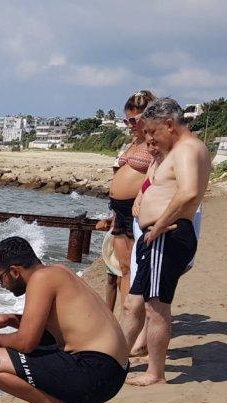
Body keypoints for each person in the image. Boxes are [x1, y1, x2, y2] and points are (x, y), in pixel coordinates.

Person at [0, 236, 130, 403]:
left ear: (14, 271)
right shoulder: (57, 272)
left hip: (96, 374)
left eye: (0, 278)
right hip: (111, 371)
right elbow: (52, 328)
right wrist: (12, 319)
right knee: (37, 348)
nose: (2, 285)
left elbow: (26, 342)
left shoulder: (40, 280)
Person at [119, 97, 211, 386]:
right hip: (157, 237)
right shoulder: (176, 150)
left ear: (169, 125)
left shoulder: (186, 149)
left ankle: (155, 373)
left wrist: (158, 225)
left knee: (155, 306)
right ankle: (113, 361)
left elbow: (188, 192)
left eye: (152, 131)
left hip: (167, 235)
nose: (149, 138)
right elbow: (160, 183)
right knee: (133, 303)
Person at [96, 90, 156, 313]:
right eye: (126, 120)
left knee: (134, 268)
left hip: (136, 210)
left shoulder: (154, 143)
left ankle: (131, 320)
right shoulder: (134, 142)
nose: (129, 124)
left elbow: (159, 175)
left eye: (133, 120)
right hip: (120, 212)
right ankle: (126, 317)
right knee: (123, 268)